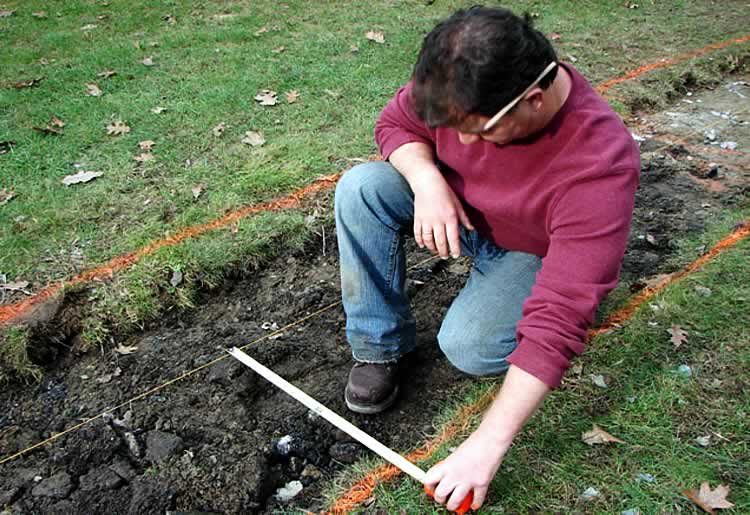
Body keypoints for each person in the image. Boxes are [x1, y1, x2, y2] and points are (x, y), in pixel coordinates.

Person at [334, 5, 639, 511]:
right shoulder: (459, 83)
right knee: (362, 188)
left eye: (475, 132)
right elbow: (396, 123)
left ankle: (572, 282)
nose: (463, 142)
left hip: (532, 252)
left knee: (470, 347)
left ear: (533, 101)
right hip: (461, 211)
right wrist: (427, 181)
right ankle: (378, 346)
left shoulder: (598, 167)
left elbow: (557, 320)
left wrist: (485, 445)